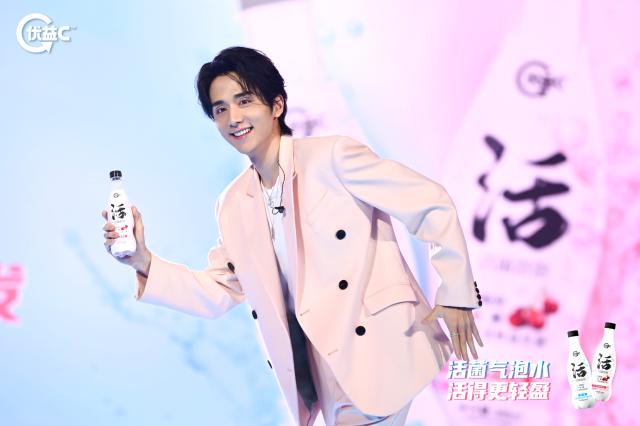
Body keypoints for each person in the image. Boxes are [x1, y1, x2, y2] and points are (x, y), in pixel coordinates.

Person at [101, 46, 484, 426]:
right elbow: (219, 288)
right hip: (320, 374)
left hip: (379, 350)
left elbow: (430, 203)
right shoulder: (233, 203)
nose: (234, 118)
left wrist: (456, 293)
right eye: (220, 109)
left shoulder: (332, 157)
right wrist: (142, 260)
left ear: (277, 105)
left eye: (244, 101)